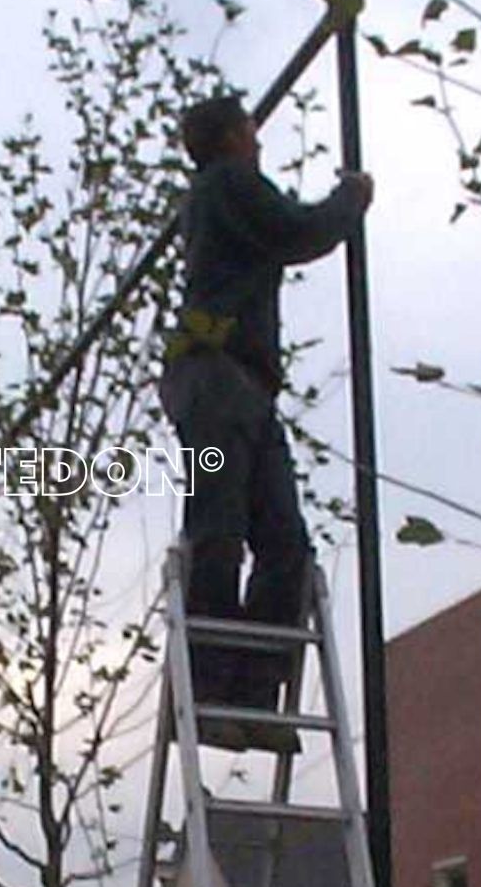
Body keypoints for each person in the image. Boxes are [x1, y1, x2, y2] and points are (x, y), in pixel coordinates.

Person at [160, 93, 374, 751]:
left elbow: (277, 235)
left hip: (238, 383)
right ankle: (216, 690)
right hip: (217, 378)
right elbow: (293, 230)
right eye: (250, 128)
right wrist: (349, 201)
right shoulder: (226, 183)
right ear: (232, 136)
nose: (258, 138)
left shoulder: (217, 196)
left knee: (285, 543)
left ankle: (253, 695)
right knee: (219, 528)